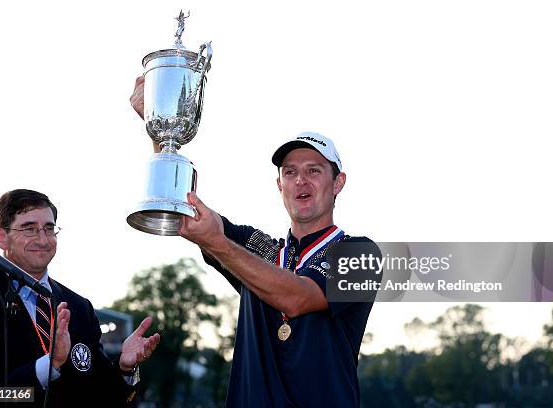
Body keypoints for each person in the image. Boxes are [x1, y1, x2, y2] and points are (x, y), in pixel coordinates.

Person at [130, 78, 383, 407]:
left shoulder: (361, 254)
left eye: (314, 170)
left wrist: (219, 245)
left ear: (338, 183)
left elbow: (297, 298)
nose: (301, 181)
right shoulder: (261, 249)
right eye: (290, 172)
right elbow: (186, 210)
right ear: (279, 185)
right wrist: (161, 134)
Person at [0, 189, 161, 408]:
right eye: (30, 229)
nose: (43, 239)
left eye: (49, 229)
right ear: (1, 237)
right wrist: (48, 366)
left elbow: (101, 397)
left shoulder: (79, 307)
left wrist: (124, 367)